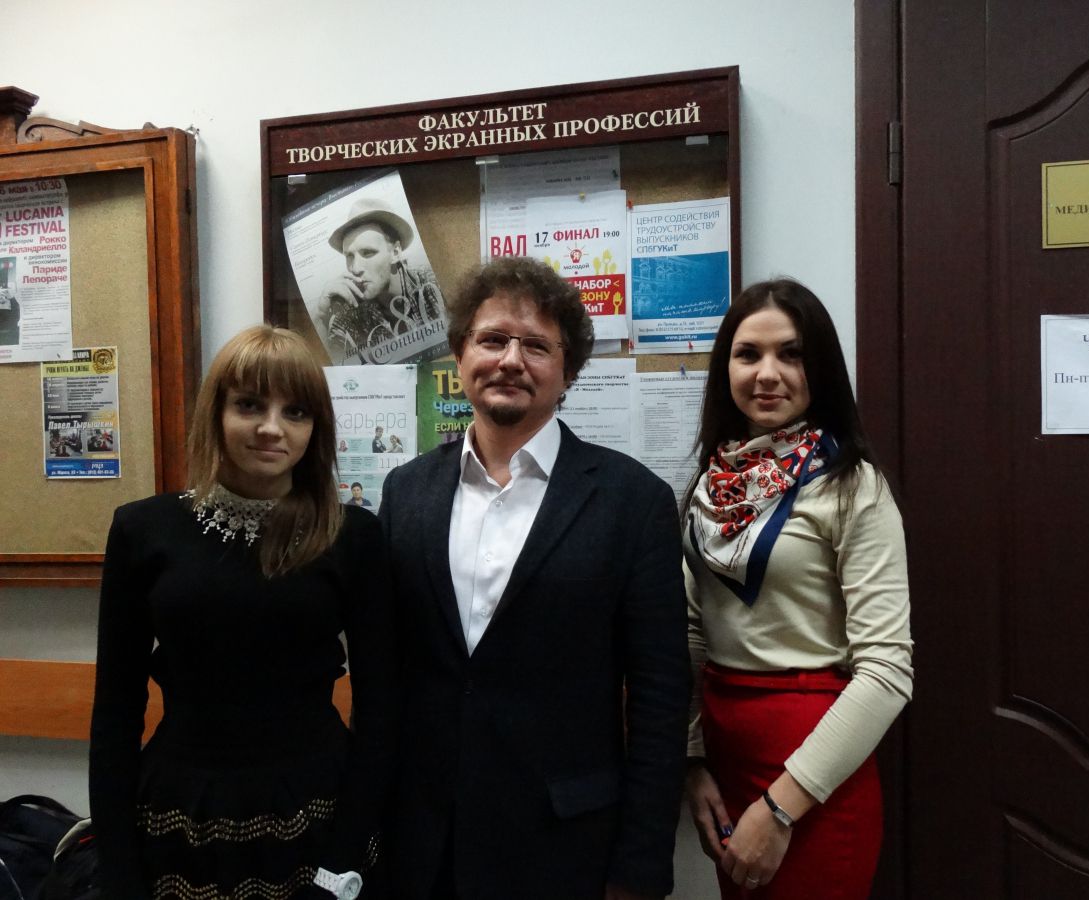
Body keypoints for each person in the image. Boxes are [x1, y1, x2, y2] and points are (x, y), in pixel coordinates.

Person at [378, 257, 690, 900]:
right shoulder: (405, 492)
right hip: (422, 846)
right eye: (493, 339)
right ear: (460, 354)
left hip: (563, 848)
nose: (511, 360)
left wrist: (639, 867)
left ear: (568, 371)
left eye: (537, 346)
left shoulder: (633, 502)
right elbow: (389, 673)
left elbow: (660, 697)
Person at [89, 325, 399, 900]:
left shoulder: (352, 535)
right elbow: (114, 713)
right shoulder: (142, 530)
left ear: (316, 428)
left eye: (296, 411)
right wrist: (119, 870)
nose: (271, 428)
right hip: (180, 812)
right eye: (250, 404)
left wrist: (342, 861)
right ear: (217, 412)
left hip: (318, 812)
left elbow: (381, 712)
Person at [683, 279, 913, 899]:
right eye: (748, 354)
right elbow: (693, 631)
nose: (768, 373)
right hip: (725, 761)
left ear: (822, 368)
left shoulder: (853, 486)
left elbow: (887, 671)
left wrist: (781, 807)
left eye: (792, 354)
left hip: (814, 775)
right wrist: (693, 759)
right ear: (725, 367)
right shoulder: (712, 486)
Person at [315, 197, 443, 359]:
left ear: (395, 252)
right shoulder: (351, 311)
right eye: (349, 256)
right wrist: (322, 316)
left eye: (368, 253)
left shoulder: (432, 282)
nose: (355, 268)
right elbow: (337, 360)